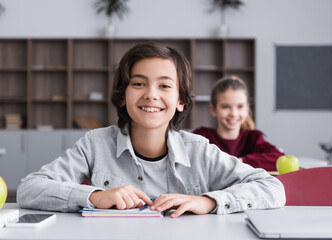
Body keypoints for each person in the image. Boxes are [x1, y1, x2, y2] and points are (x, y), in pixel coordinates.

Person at [17, 42, 285, 218]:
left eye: (165, 86)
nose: (151, 95)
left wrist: (210, 202)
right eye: (138, 84)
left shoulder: (199, 150)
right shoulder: (95, 144)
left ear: (181, 101)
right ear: (122, 96)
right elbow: (29, 189)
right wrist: (95, 196)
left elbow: (272, 188)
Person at [193, 76, 284, 171]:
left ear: (247, 109)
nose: (233, 113)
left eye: (240, 106)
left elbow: (279, 158)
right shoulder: (202, 136)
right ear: (213, 110)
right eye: (226, 107)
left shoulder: (253, 138)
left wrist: (240, 161)